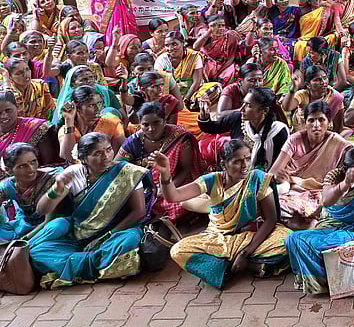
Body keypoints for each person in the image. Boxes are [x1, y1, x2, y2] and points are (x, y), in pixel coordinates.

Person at [164, 139, 292, 289]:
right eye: (237, 161)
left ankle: (227, 263)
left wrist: (245, 252)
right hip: (217, 238)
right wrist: (165, 174)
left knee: (287, 238)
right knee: (178, 250)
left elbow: (271, 220)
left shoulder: (257, 179)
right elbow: (173, 196)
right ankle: (249, 265)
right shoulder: (212, 180)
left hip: (246, 237)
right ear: (224, 165)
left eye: (247, 159)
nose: (245, 166)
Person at [30, 133, 151, 288]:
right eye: (98, 154)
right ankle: (96, 263)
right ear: (84, 158)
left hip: (114, 232)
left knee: (129, 240)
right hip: (79, 233)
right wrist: (56, 189)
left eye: (108, 150)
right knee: (38, 251)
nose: (106, 157)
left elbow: (139, 211)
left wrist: (106, 236)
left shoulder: (128, 173)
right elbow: (42, 210)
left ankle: (73, 265)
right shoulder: (73, 173)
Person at [284, 146, 354, 295]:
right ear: (349, 173)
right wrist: (346, 184)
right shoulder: (334, 178)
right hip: (330, 231)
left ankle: (345, 272)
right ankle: (334, 279)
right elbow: (326, 201)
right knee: (293, 240)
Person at [116, 102, 205, 222]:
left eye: (156, 123)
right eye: (145, 125)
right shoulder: (134, 141)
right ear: (140, 123)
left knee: (182, 204)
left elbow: (185, 169)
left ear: (164, 120)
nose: (151, 129)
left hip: (176, 183)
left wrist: (166, 189)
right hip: (144, 189)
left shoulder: (180, 138)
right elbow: (117, 166)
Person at [270, 101, 353, 230]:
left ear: (329, 122)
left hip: (321, 192)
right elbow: (274, 171)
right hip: (292, 189)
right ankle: (299, 223)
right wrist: (279, 177)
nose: (316, 125)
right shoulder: (295, 139)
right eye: (311, 120)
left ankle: (300, 223)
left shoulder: (336, 142)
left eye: (321, 120)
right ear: (305, 122)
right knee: (274, 205)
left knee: (325, 210)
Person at [197, 86, 289, 171]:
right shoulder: (238, 118)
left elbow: (280, 165)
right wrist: (204, 114)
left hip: (268, 179)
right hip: (236, 175)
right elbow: (211, 128)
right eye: (243, 103)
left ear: (264, 110)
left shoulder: (278, 131)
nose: (241, 109)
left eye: (249, 105)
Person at [0, 143, 62, 240]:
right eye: (22, 166)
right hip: (26, 224)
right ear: (9, 170)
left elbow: (49, 220)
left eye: (33, 162)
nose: (31, 169)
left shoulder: (52, 180)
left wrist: (25, 239)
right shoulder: (7, 186)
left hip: (49, 225)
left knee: (57, 226)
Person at [59, 86, 126, 163]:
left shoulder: (112, 123)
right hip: (78, 172)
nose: (98, 109)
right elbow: (67, 156)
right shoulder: (67, 129)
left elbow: (120, 157)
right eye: (91, 105)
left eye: (100, 103)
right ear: (77, 107)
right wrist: (69, 120)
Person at [281, 65, 345, 133]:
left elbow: (338, 128)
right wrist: (293, 88)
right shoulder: (303, 95)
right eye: (317, 80)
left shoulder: (335, 97)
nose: (323, 82)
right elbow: (286, 107)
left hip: (324, 134)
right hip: (301, 131)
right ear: (308, 84)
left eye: (325, 78)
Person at [155, 32, 204, 104]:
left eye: (174, 44)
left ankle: (191, 102)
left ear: (183, 43)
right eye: (167, 45)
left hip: (192, 92)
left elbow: (196, 81)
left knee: (215, 87)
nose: (170, 48)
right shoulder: (162, 59)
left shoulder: (193, 56)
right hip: (170, 94)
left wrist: (186, 99)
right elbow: (159, 83)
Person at [196, 15, 241, 86]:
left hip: (224, 64)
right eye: (217, 26)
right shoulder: (205, 34)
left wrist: (220, 70)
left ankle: (219, 88)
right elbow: (195, 47)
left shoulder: (230, 36)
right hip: (207, 63)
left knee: (232, 69)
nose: (221, 28)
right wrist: (209, 32)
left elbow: (231, 58)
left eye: (223, 25)